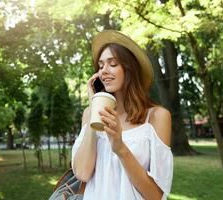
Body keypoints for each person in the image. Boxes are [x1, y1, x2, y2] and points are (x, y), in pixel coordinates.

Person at [72, 30, 173, 200]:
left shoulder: (157, 117)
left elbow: (156, 195)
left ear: (129, 69)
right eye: (101, 65)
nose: (104, 70)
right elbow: (82, 173)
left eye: (112, 64)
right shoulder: (89, 114)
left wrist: (120, 148)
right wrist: (94, 107)